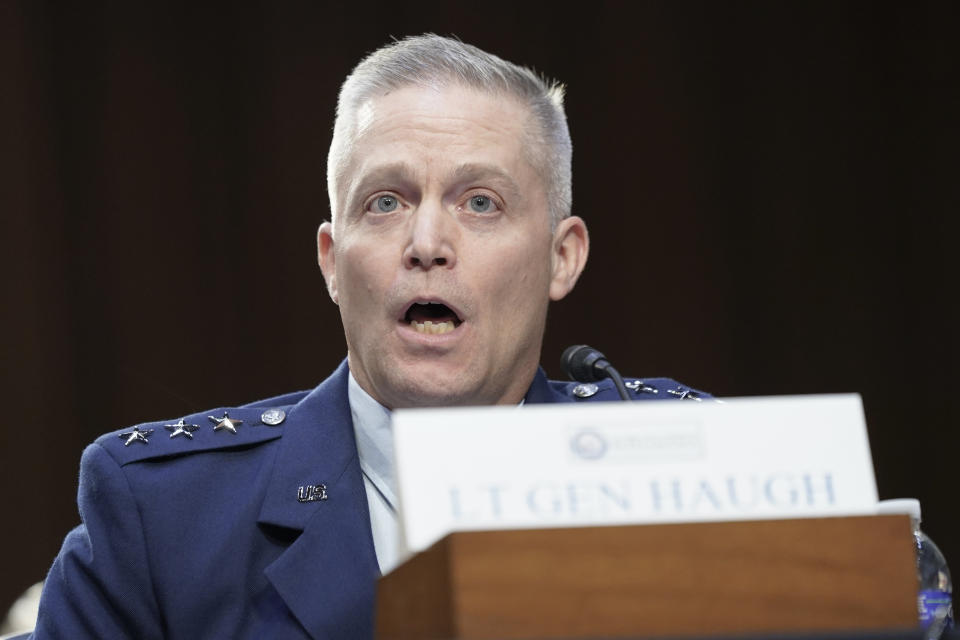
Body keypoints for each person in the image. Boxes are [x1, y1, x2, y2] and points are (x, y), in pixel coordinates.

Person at [30, 34, 708, 639]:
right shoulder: (164, 519)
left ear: (562, 257)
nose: (426, 243)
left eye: (480, 202)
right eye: (386, 202)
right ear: (331, 260)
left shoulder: (691, 466)